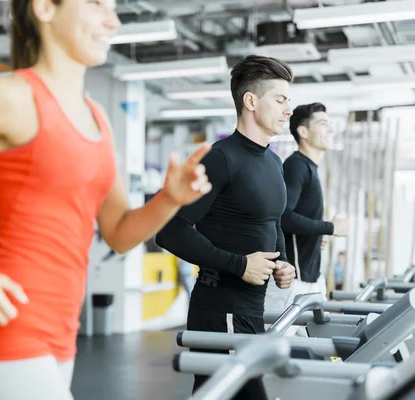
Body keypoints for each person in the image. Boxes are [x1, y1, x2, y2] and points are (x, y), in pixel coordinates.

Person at [0, 1, 213, 399]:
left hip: (62, 334)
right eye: (97, 3)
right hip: (5, 327)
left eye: (114, 7)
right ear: (45, 8)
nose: (112, 19)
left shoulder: (98, 118)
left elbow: (117, 233)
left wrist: (168, 199)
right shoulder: (8, 98)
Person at [155, 55, 297, 399]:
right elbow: (170, 229)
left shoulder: (273, 161)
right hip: (220, 308)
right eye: (280, 99)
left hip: (250, 308)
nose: (288, 109)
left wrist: (282, 262)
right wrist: (240, 264)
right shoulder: (220, 158)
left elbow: (271, 220)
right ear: (251, 101)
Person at [265, 102, 350, 313]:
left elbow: (297, 220)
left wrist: (318, 234)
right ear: (303, 131)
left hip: (311, 280)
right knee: (279, 346)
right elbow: (283, 217)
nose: (330, 129)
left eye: (330, 124)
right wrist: (330, 228)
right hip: (293, 284)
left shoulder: (309, 168)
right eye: (323, 124)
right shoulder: (297, 166)